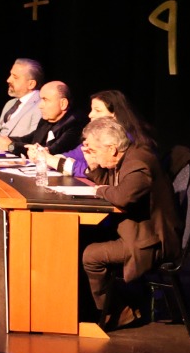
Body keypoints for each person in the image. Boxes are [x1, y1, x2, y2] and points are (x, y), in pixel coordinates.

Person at [77, 117, 182, 329]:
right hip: (134, 231)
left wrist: (101, 190)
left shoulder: (138, 163)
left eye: (95, 151)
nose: (92, 154)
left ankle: (118, 311)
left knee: (90, 255)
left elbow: (123, 196)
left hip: (150, 241)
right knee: (81, 238)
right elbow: (111, 185)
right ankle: (88, 306)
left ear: (112, 149)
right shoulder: (125, 157)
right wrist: (93, 165)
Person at [18, 80, 87, 169]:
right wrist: (8, 143)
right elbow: (29, 141)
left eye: (45, 100)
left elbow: (53, 151)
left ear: (63, 104)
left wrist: (11, 146)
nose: (40, 105)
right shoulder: (46, 120)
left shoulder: (76, 123)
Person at [0, 58, 42, 150]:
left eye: (15, 77)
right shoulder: (10, 104)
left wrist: (10, 147)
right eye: (10, 75)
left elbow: (35, 142)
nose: (8, 80)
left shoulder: (41, 106)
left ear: (31, 84)